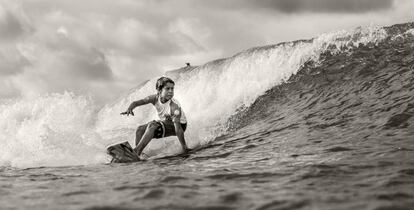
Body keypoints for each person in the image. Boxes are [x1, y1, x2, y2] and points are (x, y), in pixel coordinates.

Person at [120, 77, 189, 159]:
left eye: (172, 89)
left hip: (179, 125)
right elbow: (137, 102)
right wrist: (130, 108)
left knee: (153, 125)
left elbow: (178, 129)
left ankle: (137, 151)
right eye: (167, 89)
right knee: (140, 129)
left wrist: (184, 147)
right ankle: (138, 154)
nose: (171, 91)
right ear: (159, 91)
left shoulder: (174, 107)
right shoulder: (154, 98)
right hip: (167, 122)